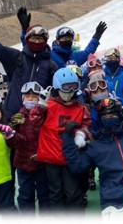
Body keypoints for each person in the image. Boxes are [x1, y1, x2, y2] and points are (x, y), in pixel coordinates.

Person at [36, 67, 92, 213]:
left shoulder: (80, 108)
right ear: (57, 86)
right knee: (55, 193)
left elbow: (87, 124)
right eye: (66, 87)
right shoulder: (49, 105)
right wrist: (40, 107)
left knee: (72, 192)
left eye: (73, 86)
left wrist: (82, 134)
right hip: (51, 157)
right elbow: (33, 124)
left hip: (70, 157)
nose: (69, 91)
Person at [0, 82, 51, 215]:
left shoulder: (46, 115)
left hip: (42, 163)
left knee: (45, 195)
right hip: (23, 164)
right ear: (23, 98)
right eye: (27, 96)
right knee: (25, 195)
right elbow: (14, 144)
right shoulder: (18, 117)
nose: (31, 99)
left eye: (34, 96)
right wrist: (10, 135)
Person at [17, 6, 108, 69]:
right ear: (57, 41)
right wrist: (25, 30)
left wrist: (96, 37)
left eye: (69, 38)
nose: (67, 40)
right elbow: (31, 48)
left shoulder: (75, 57)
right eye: (64, 38)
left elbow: (88, 51)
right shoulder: (49, 54)